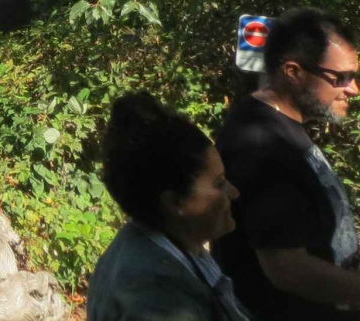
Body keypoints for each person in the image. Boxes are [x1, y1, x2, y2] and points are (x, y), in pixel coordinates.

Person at [213, 8, 360, 320]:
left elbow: (320, 243)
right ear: (294, 72)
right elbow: (288, 268)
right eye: (341, 78)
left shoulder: (285, 131)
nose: (353, 89)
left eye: (354, 76)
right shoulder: (258, 144)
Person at [88, 91, 252, 321]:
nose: (233, 193)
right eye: (219, 183)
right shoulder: (154, 293)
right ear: (175, 202)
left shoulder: (166, 250)